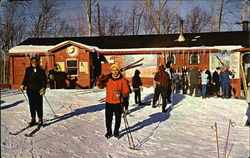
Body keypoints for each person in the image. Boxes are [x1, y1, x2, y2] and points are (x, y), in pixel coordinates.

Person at [96, 64, 130, 139]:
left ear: (118, 70)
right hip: (109, 102)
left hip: (118, 102)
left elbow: (126, 91)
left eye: (116, 70)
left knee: (118, 119)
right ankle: (109, 132)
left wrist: (121, 94)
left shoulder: (122, 80)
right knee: (108, 118)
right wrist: (100, 79)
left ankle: (116, 132)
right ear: (111, 71)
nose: (115, 72)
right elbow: (100, 86)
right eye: (113, 70)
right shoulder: (108, 79)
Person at [19, 57, 47, 126]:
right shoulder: (28, 69)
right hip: (30, 90)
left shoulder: (41, 70)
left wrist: (43, 88)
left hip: (38, 90)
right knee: (32, 105)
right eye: (32, 61)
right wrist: (23, 85)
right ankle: (33, 119)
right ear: (31, 62)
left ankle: (40, 119)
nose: (34, 62)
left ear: (37, 62)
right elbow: (25, 78)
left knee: (38, 104)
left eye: (35, 61)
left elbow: (44, 80)